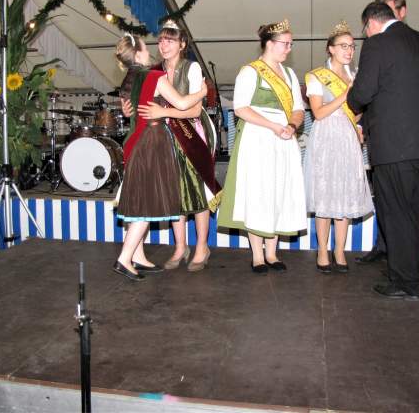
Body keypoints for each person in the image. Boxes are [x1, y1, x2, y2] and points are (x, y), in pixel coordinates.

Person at [347, 3, 419, 300]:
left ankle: (405, 282)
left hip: (396, 146)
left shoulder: (377, 44)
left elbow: (363, 93)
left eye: (365, 29)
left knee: (396, 213)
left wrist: (352, 98)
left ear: (371, 24)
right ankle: (413, 274)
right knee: (415, 213)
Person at [113, 34, 208, 281]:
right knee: (147, 203)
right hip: (153, 141)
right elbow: (183, 103)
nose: (151, 51)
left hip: (135, 141)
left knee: (138, 199)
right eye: (145, 49)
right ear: (138, 54)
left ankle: (138, 256)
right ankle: (124, 258)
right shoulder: (154, 76)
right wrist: (202, 92)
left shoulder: (128, 79)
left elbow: (128, 110)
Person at [129, 20, 221, 272]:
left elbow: (194, 110)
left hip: (192, 134)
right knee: (175, 191)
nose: (164, 45)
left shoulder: (192, 68)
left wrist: (164, 112)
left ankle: (201, 246)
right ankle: (180, 247)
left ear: (182, 44)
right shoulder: (154, 70)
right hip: (164, 137)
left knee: (199, 191)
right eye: (161, 40)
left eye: (170, 40)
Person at [218, 19, 307, 273]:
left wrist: (291, 125)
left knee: (278, 190)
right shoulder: (250, 71)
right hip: (258, 137)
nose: (289, 48)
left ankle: (272, 253)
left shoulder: (289, 75)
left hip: (284, 138)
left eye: (290, 44)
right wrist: (273, 126)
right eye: (285, 43)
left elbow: (299, 108)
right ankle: (257, 255)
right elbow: (241, 109)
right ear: (269, 44)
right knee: (258, 192)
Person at [304, 21, 373, 273]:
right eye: (343, 46)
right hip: (325, 136)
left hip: (347, 136)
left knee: (343, 193)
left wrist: (358, 123)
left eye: (352, 46)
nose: (349, 51)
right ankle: (323, 250)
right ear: (330, 49)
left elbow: (356, 113)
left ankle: (340, 250)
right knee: (325, 195)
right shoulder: (316, 76)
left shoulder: (355, 77)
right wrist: (346, 95)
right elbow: (318, 112)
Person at [356, 0, 408, 265]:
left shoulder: (410, 44)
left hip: (403, 138)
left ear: (401, 12)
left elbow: (365, 93)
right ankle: (384, 244)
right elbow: (375, 96)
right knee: (384, 197)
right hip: (383, 137)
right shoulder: (380, 45)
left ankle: (399, 260)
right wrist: (362, 123)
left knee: (401, 204)